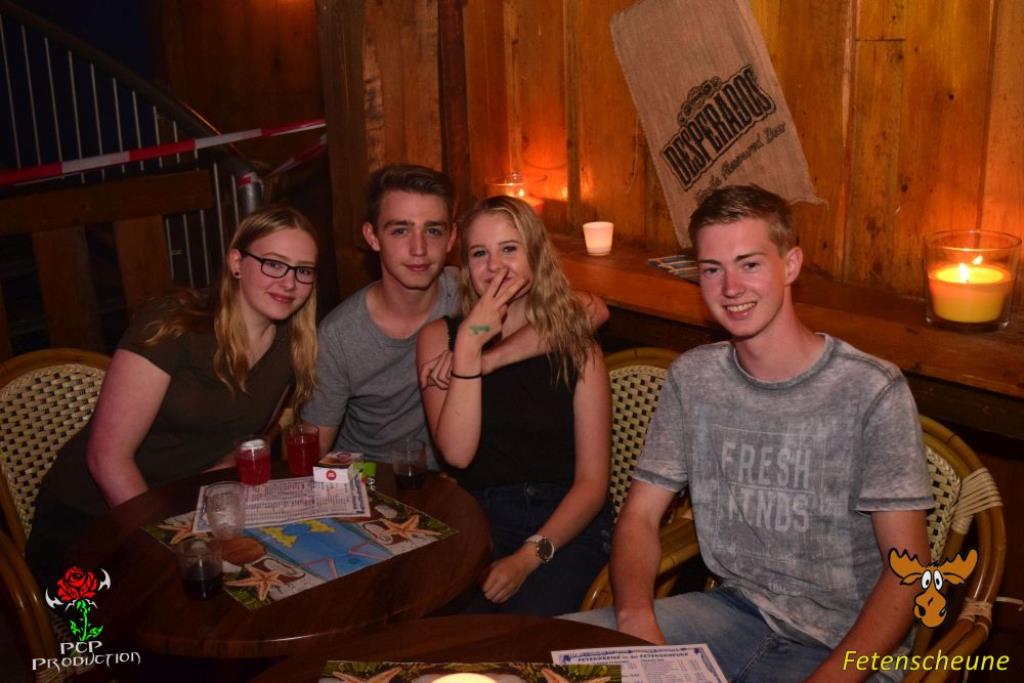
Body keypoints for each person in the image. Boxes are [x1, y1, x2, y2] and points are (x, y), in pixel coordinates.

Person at [564, 185, 932, 682]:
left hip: (844, 643)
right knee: (544, 656)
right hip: (732, 615)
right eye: (712, 269)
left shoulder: (871, 389)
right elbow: (641, 517)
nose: (731, 288)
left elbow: (908, 573)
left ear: (791, 264)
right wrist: (636, 621)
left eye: (750, 264)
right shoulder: (694, 378)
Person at [27, 205, 320, 588]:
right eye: (274, 264)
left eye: (303, 270)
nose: (289, 283)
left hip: (180, 511)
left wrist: (213, 519)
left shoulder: (292, 347)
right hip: (89, 520)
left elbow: (239, 445)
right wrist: (162, 544)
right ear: (236, 262)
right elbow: (106, 459)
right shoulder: (173, 324)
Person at [302, 164, 608, 464]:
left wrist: (479, 357)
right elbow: (312, 451)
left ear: (451, 238)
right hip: (376, 476)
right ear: (372, 237)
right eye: (400, 230)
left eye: (433, 230)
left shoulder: (471, 291)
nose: (419, 248)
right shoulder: (339, 336)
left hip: (459, 480)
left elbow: (592, 310)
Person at [418, 195, 612, 616]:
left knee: (527, 630)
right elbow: (457, 454)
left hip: (565, 523)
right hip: (479, 516)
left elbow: (592, 484)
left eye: (509, 248)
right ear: (465, 266)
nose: (495, 266)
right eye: (479, 253)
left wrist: (529, 557)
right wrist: (468, 347)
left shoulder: (579, 349)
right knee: (446, 628)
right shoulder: (439, 341)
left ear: (536, 255)